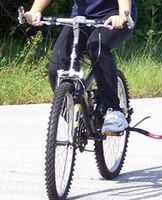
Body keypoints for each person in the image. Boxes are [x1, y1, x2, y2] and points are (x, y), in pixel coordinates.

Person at [24, 0, 137, 133]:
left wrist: (122, 15)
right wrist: (35, 10)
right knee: (56, 69)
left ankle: (113, 111)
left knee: (96, 47)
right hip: (80, 17)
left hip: (113, 15)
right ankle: (74, 113)